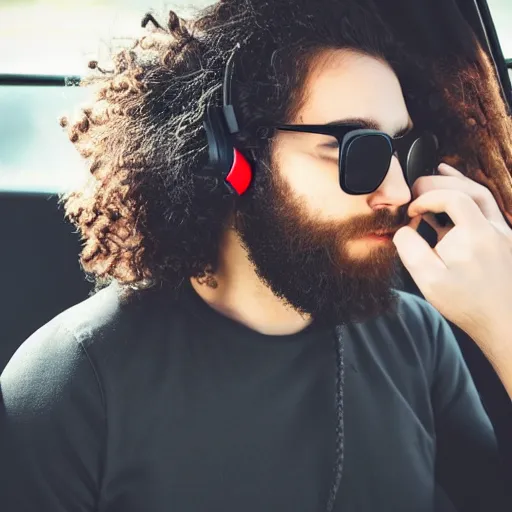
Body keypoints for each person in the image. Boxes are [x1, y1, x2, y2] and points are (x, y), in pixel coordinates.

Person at [1, 1, 512, 511]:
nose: (398, 191)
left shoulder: (418, 337)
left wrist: (505, 317)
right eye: (357, 148)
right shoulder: (71, 381)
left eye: (403, 150)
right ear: (233, 159)